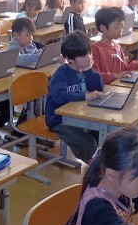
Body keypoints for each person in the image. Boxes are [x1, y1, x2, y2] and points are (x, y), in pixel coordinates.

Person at [45, 31, 104, 163]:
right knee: (86, 142)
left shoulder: (85, 70)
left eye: (89, 52)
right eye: (83, 55)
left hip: (77, 115)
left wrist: (89, 71)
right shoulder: (61, 73)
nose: (88, 57)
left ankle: (101, 162)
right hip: (58, 119)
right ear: (70, 58)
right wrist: (84, 96)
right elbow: (59, 96)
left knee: (101, 132)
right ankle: (94, 168)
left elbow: (99, 88)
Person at [92, 7, 138, 83]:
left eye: (122, 26)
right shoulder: (95, 48)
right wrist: (116, 76)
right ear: (103, 28)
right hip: (106, 87)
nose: (120, 30)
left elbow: (124, 68)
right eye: (116, 27)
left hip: (118, 84)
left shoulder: (117, 47)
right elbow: (95, 75)